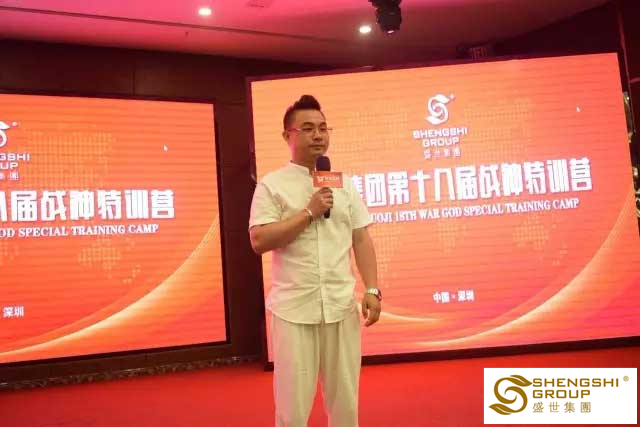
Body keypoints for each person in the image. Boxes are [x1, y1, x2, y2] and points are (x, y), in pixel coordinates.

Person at [249, 95, 382, 427]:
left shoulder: (344, 184)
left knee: (345, 404)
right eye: (307, 128)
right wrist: (308, 213)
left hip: (340, 306)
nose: (318, 135)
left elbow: (361, 238)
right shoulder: (272, 185)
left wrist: (372, 289)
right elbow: (259, 240)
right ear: (287, 136)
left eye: (323, 128)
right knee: (292, 409)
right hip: (294, 310)